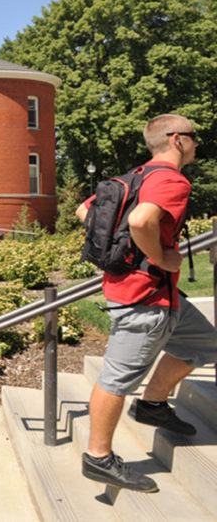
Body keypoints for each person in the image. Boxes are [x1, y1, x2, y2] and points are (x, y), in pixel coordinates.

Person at [76, 114, 214, 493]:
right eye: (193, 136)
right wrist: (155, 257)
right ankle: (98, 457)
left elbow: (85, 210)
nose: (197, 143)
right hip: (146, 299)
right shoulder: (171, 180)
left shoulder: (135, 175)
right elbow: (140, 221)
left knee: (204, 342)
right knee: (116, 379)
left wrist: (119, 253)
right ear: (176, 140)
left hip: (149, 296)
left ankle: (152, 404)